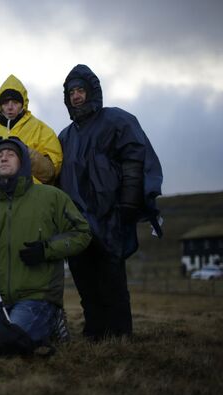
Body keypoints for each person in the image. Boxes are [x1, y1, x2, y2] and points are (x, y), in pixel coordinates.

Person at [58, 64, 163, 341]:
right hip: (76, 220)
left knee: (111, 277)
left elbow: (134, 158)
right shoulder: (65, 136)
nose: (76, 96)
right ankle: (95, 331)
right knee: (83, 277)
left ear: (92, 92)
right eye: (71, 92)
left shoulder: (116, 120)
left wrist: (129, 201)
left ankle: (119, 332)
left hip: (109, 215)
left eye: (81, 90)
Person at [0, 137, 92, 346]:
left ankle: (53, 319)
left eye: (10, 154)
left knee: (11, 342)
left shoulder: (52, 197)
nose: (3, 158)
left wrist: (46, 249)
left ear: (23, 162)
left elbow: (82, 233)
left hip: (37, 296)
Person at [0, 74, 63, 243]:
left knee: (21, 265)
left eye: (14, 102)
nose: (10, 106)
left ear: (24, 103)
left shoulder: (42, 131)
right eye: (5, 102)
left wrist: (24, 151)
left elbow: (50, 172)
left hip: (30, 214)